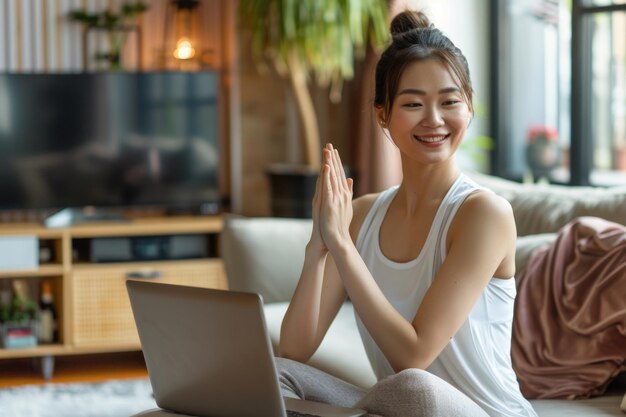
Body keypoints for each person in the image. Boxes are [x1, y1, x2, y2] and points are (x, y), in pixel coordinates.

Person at [276, 9, 538, 417]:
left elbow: (414, 357)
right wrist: (320, 245)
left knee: (414, 386)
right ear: (383, 113)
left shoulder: (484, 214)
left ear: (469, 107)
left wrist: (343, 246)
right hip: (397, 408)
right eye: (413, 103)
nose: (434, 120)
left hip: (480, 412)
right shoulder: (362, 216)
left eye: (450, 101)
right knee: (278, 375)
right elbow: (294, 350)